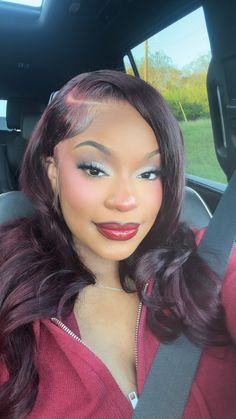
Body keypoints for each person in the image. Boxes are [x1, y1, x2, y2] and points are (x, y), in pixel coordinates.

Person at [0, 70, 235, 419]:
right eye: (95, 169)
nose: (126, 201)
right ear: (52, 172)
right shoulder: (9, 281)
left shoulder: (210, 260)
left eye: (149, 172)